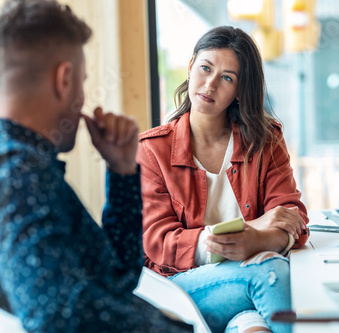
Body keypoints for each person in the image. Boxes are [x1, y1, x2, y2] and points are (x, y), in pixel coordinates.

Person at [0, 1, 191, 332]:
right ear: (64, 79)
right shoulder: (17, 180)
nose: (83, 97)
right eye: (81, 81)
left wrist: (122, 171)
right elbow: (58, 317)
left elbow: (117, 277)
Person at [137, 26, 309, 333]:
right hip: (178, 288)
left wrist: (258, 241)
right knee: (270, 271)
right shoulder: (152, 150)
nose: (211, 84)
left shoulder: (265, 140)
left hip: (241, 284)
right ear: (190, 68)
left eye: (227, 77)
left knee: (254, 327)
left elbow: (293, 220)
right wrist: (253, 228)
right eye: (205, 68)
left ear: (240, 90)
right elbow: (159, 244)